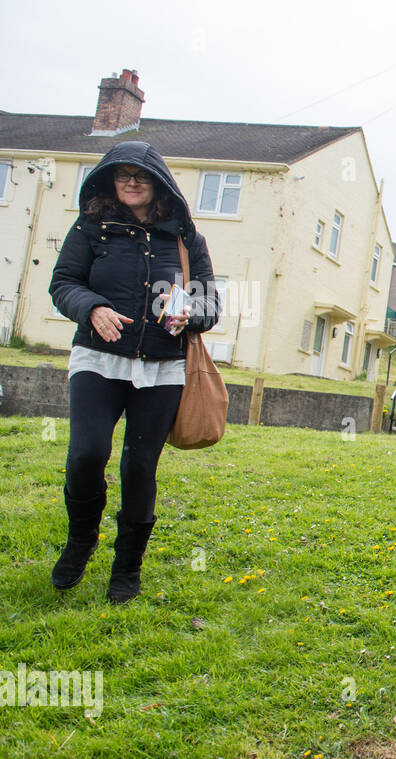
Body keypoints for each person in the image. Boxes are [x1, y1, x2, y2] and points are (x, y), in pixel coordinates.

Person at [49, 141, 220, 603]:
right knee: (86, 453)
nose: (129, 181)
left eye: (139, 175)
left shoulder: (185, 238)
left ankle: (127, 567)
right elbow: (63, 284)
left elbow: (211, 304)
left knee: (139, 467)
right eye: (121, 174)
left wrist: (190, 312)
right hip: (98, 361)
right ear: (109, 179)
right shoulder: (90, 228)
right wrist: (93, 307)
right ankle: (81, 540)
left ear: (159, 184)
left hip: (162, 368)